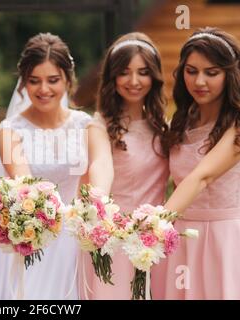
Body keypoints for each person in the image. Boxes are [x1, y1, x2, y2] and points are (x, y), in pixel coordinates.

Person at [0, 32, 91, 299]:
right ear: (23, 84)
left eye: (53, 80)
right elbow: (24, 182)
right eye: (34, 81)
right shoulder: (10, 129)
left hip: (71, 242)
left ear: (67, 80)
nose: (44, 89)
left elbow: (95, 180)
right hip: (27, 230)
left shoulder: (86, 125)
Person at [156, 27, 240, 299]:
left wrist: (154, 224)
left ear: (229, 74)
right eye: (191, 71)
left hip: (226, 242)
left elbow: (202, 177)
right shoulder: (178, 124)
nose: (199, 81)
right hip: (181, 242)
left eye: (211, 73)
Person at [82, 32, 169, 299]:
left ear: (154, 76)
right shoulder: (99, 125)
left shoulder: (165, 127)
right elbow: (101, 165)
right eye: (124, 73)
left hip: (156, 240)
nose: (134, 81)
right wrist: (99, 208)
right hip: (114, 237)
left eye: (143, 72)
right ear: (112, 77)